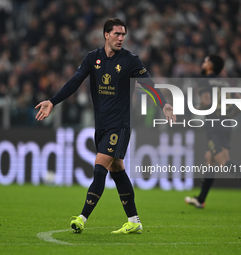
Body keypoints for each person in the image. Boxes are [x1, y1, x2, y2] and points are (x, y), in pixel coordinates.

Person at [35, 18, 175, 234]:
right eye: (117, 34)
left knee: (100, 166)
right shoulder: (93, 58)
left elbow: (148, 85)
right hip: (101, 125)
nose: (121, 38)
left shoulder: (130, 60)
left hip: (119, 125)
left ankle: (82, 218)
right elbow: (75, 81)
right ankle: (134, 221)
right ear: (106, 35)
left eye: (123, 35)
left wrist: (164, 104)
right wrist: (53, 101)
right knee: (117, 168)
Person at [184, 55, 241, 209]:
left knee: (222, 161)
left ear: (210, 66)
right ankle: (200, 199)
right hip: (226, 125)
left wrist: (196, 108)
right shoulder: (226, 83)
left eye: (205, 61)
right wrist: (227, 115)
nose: (203, 63)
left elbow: (206, 102)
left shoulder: (204, 82)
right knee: (209, 159)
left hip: (214, 125)